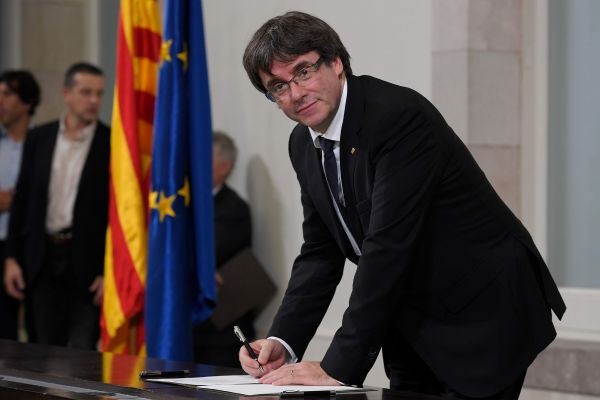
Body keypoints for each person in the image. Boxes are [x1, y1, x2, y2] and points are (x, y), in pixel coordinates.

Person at [239, 11, 566, 399]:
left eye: (304, 72)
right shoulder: (302, 144)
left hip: (482, 311)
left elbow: (387, 246)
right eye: (278, 86)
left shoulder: (397, 117)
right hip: (411, 319)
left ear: (336, 62)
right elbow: (321, 251)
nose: (295, 94)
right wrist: (283, 341)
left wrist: (336, 367)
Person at [3, 62, 109, 350]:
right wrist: (11, 258)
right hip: (42, 258)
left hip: (87, 265)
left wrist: (108, 271)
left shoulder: (110, 143)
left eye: (99, 93)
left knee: (82, 351)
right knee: (41, 351)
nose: (93, 100)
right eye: (85, 92)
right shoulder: (40, 137)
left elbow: (117, 215)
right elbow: (22, 201)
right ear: (66, 93)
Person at [193, 131, 255, 367]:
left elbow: (208, 253)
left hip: (219, 332)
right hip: (193, 328)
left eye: (203, 158)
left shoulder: (233, 208)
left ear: (224, 167)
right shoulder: (187, 203)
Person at [0, 70, 40, 340]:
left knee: (37, 326)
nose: (0, 101)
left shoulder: (43, 142)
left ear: (27, 101)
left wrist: (19, 199)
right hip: (1, 239)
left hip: (31, 244)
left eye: (7, 94)